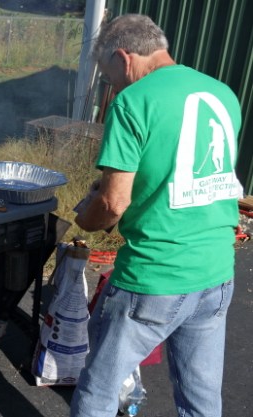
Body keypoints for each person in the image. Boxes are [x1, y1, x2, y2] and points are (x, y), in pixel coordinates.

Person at [70, 14, 242, 417]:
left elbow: (113, 204)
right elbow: (190, 173)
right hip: (216, 273)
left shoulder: (133, 101)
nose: (113, 87)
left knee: (98, 392)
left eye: (109, 77)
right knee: (201, 399)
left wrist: (86, 221)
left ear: (122, 58)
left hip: (155, 279)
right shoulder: (222, 93)